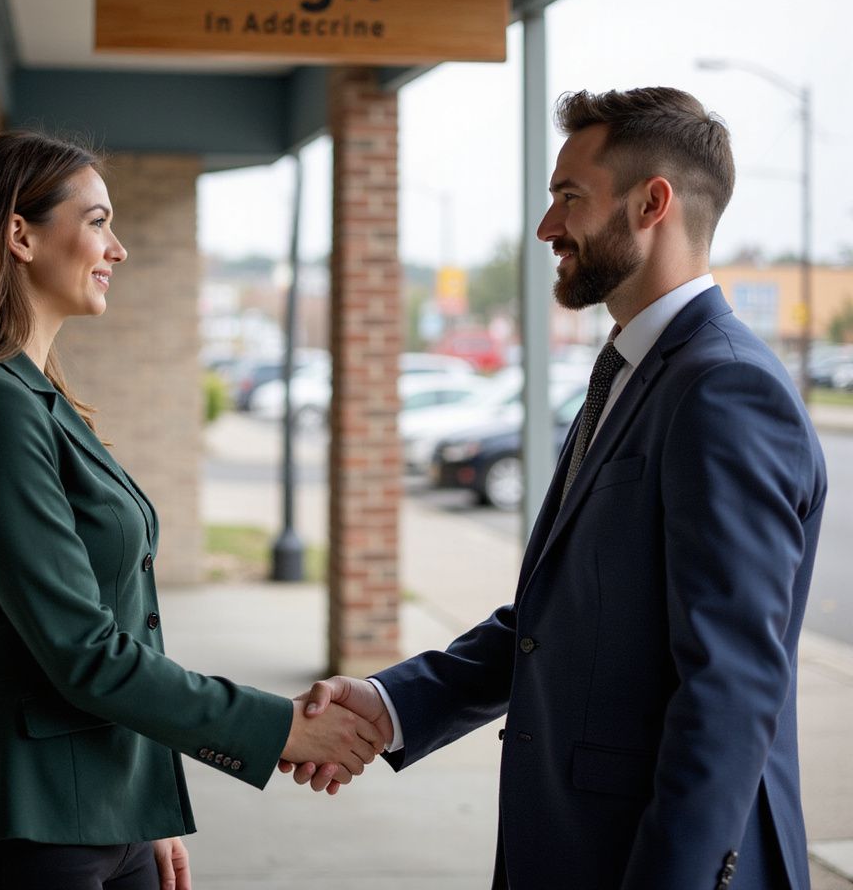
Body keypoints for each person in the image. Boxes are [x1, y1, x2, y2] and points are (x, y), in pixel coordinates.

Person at [290, 87, 827, 890]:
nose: (547, 228)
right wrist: (391, 702)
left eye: (568, 198)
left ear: (653, 203)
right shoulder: (633, 371)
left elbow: (730, 687)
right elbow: (562, 618)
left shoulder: (723, 389)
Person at [0, 131, 383, 890]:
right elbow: (83, 649)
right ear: (19, 234)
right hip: (20, 819)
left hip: (107, 809)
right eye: (96, 221)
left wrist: (143, 803)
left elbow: (127, 621)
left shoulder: (36, 398)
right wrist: (280, 728)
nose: (117, 248)